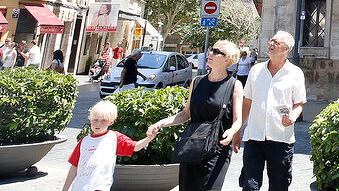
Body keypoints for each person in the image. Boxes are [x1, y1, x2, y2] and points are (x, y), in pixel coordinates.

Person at [147, 41, 243, 191]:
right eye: (212, 50)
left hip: (218, 148)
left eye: (218, 52)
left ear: (227, 60)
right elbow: (186, 114)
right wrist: (161, 123)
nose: (211, 53)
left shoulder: (234, 85)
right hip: (193, 145)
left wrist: (231, 132)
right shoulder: (196, 82)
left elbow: (238, 120)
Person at [234, 31, 307, 191]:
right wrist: (238, 131)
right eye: (270, 41)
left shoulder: (295, 74)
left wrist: (292, 117)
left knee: (279, 186)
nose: (270, 44)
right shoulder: (256, 70)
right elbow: (247, 103)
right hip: (254, 137)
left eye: (275, 42)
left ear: (286, 48)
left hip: (281, 138)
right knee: (250, 186)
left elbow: (299, 104)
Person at [63, 100, 154, 191]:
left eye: (103, 120)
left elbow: (135, 147)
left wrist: (149, 138)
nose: (98, 124)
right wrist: (65, 189)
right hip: (79, 188)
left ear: (111, 122)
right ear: (90, 120)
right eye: (95, 120)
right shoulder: (84, 140)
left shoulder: (114, 137)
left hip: (100, 187)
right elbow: (74, 166)